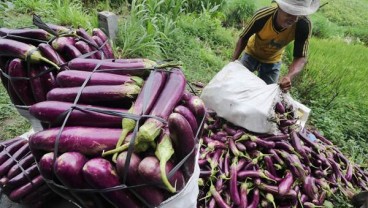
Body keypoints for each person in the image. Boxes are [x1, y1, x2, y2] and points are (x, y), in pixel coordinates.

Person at [232, 0, 320, 91]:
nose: (293, 19)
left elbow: (301, 56)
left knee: (267, 93)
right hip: (252, 52)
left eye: (298, 14)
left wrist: (289, 76)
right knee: (236, 82)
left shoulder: (303, 24)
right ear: (279, 7)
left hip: (273, 59)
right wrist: (233, 62)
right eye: (290, 12)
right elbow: (244, 37)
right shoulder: (262, 16)